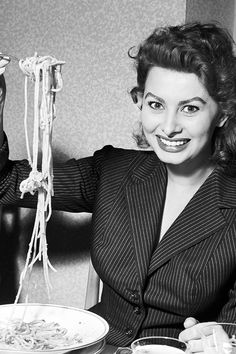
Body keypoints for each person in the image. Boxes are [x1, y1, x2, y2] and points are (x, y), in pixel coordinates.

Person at [0, 22, 236, 352]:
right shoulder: (113, 170)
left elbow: (231, 328)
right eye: (156, 105)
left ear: (222, 113)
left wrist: (226, 342)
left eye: (191, 108)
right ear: (140, 102)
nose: (168, 127)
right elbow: (6, 183)